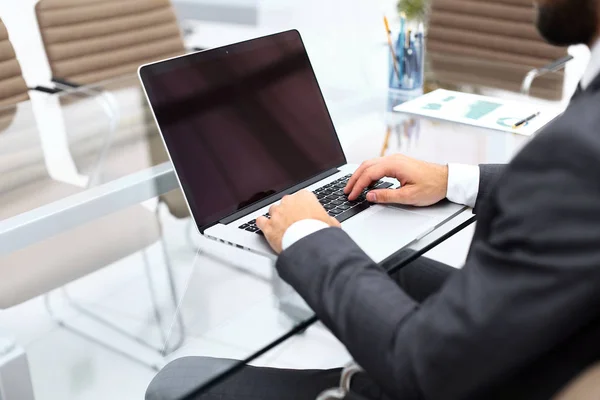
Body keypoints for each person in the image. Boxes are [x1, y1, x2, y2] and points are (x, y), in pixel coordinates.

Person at [146, 0, 600, 398]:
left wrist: (308, 234)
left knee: (175, 382)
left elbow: (423, 370)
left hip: (489, 378)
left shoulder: (575, 150)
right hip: (549, 333)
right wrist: (450, 179)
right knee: (385, 262)